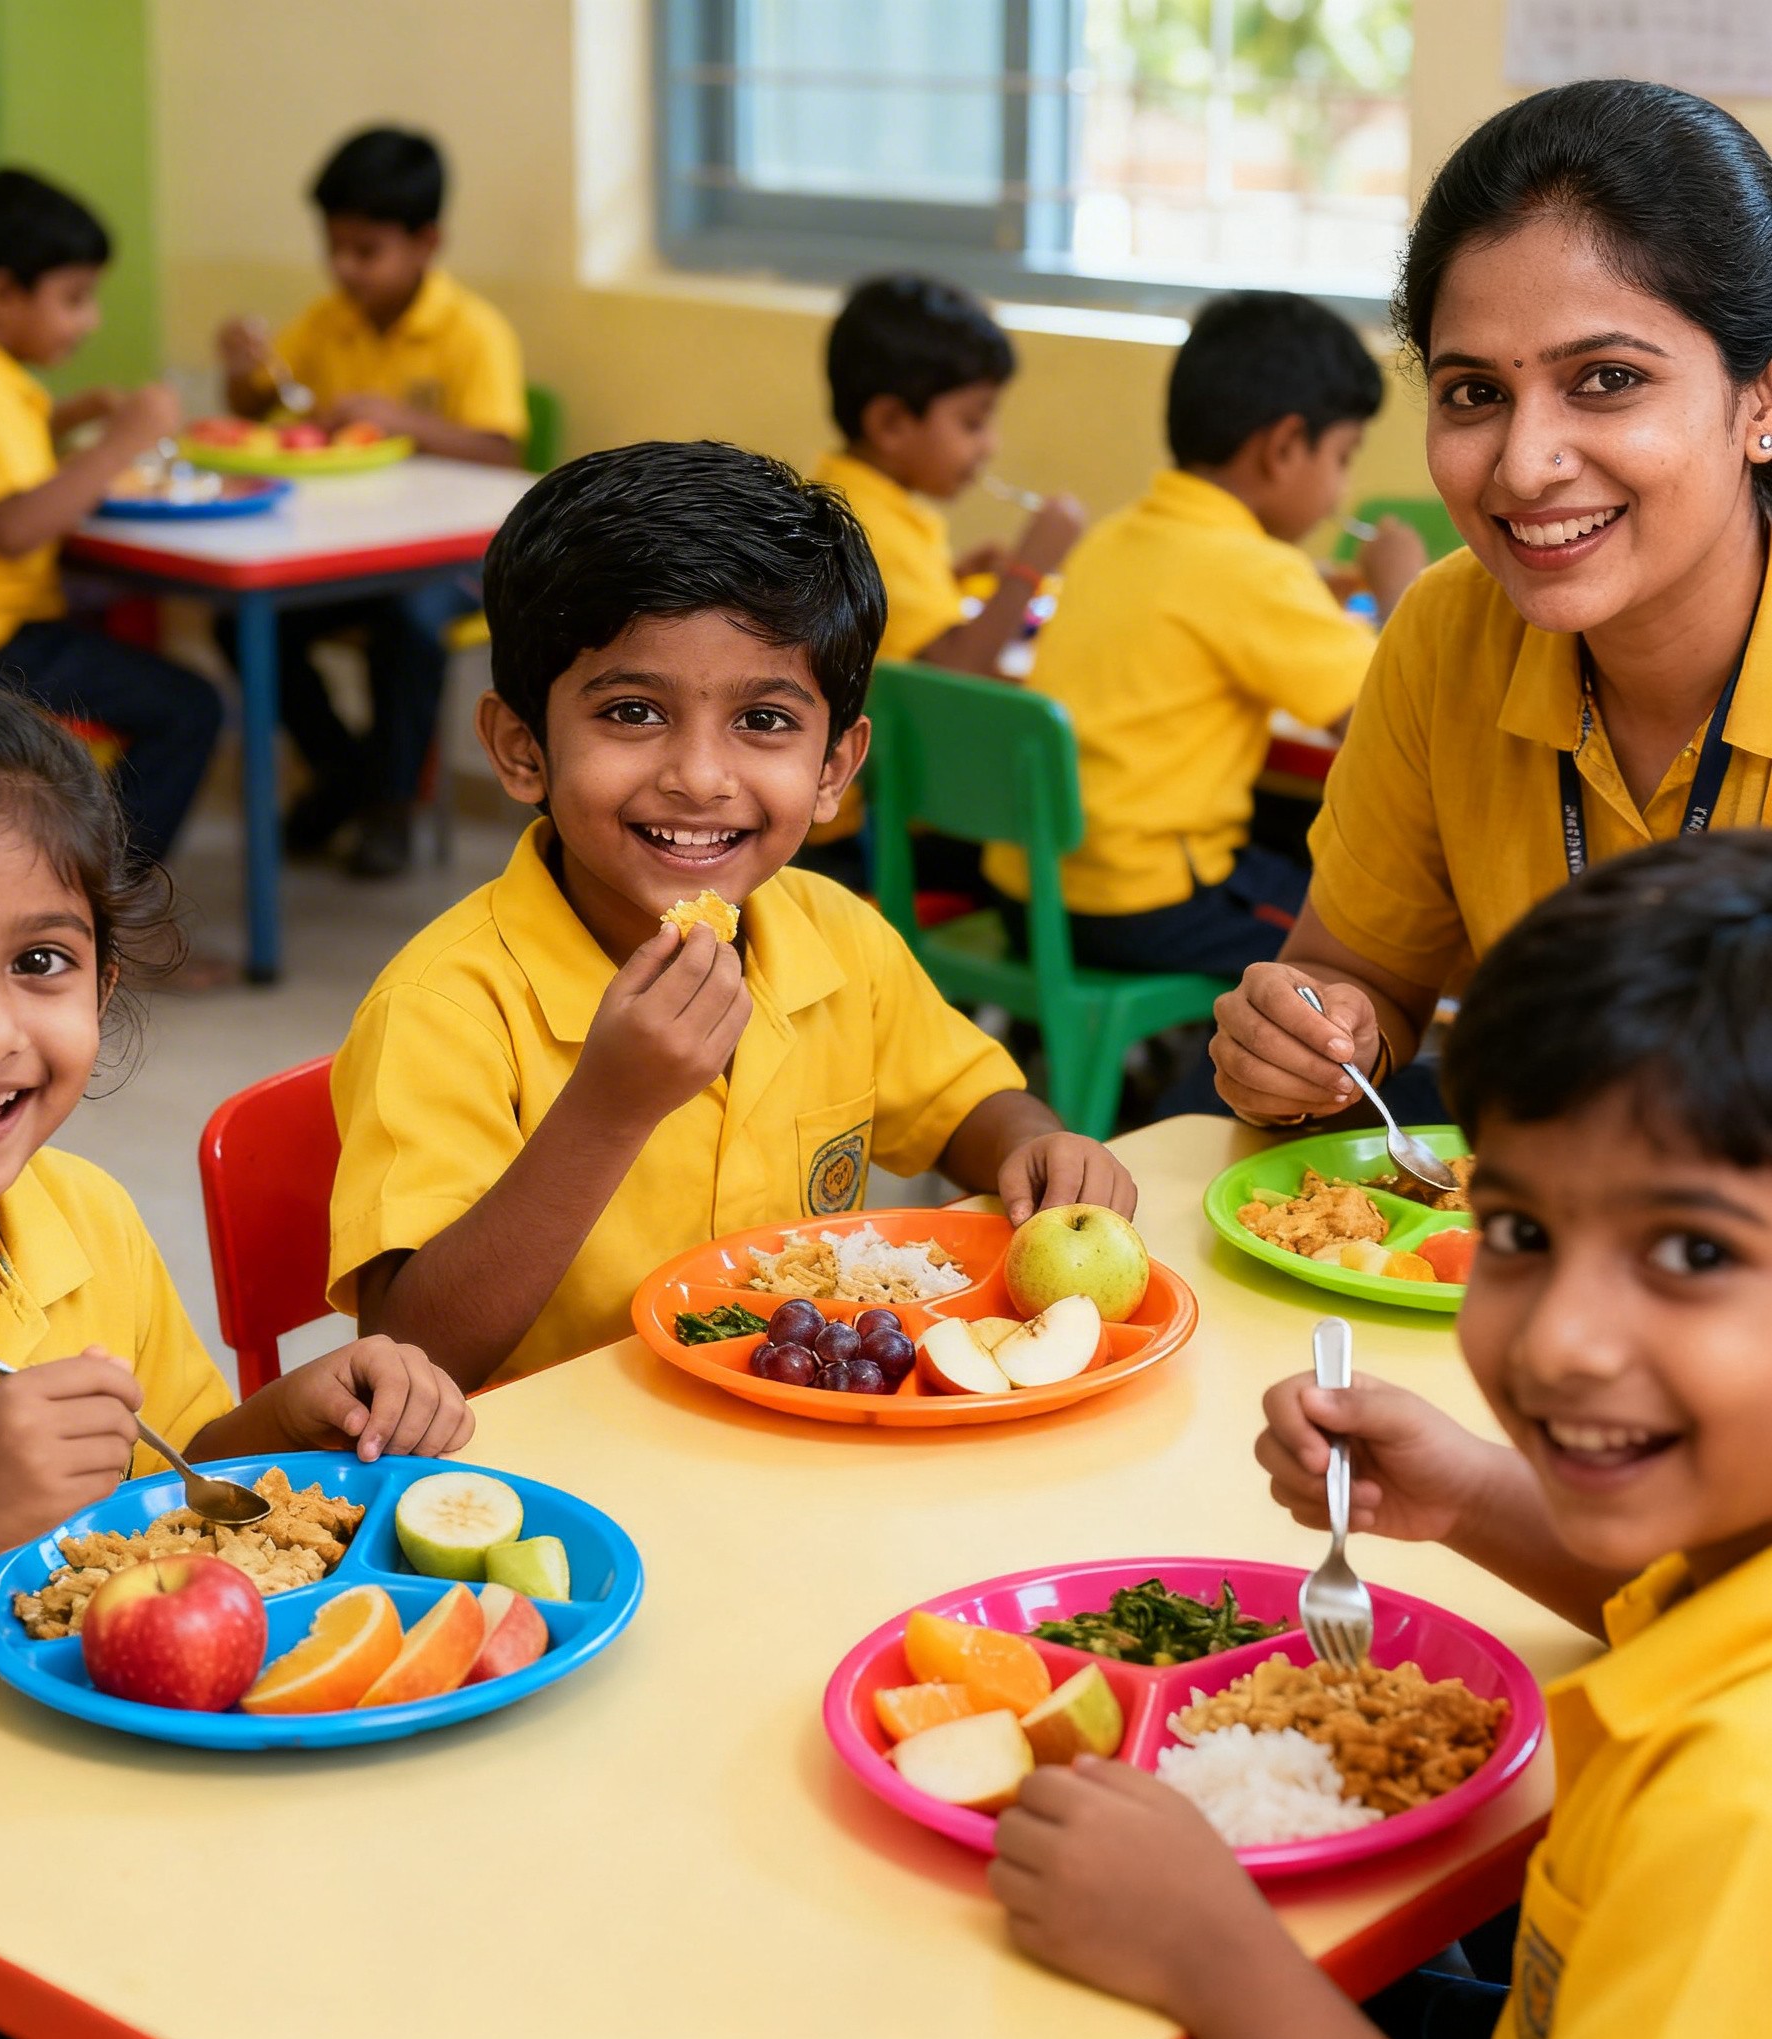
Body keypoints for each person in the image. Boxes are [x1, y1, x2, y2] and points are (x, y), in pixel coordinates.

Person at [0, 676, 472, 2028]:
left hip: (47, 1816)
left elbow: (167, 1490)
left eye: (42, 962)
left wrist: (294, 1417)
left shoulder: (80, 1215)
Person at [991, 829, 1772, 2039]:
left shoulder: (1736, 1820)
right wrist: (1466, 1496)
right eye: (1516, 1227)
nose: (1560, 1337)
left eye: (1691, 1252)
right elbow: (1666, 1597)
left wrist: (1210, 1955)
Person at [328, 440, 1135, 1390]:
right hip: (559, 1488)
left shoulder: (836, 935)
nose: (701, 778)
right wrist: (606, 1109)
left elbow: (967, 1106)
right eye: (632, 712)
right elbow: (414, 1355)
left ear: (834, 767)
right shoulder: (449, 1007)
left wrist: (1035, 1144)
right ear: (521, 749)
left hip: (796, 1448)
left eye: (764, 722)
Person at [1210, 80, 1772, 1129]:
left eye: (1605, 378)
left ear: (1758, 399)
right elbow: (1357, 972)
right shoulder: (1444, 631)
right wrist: (1318, 1040)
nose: (1522, 466)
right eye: (1473, 392)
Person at [982, 292, 1424, 981]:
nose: (1340, 494)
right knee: (1377, 930)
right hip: (1145, 906)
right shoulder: (1255, 572)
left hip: (1030, 889)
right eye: (1343, 457)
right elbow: (1398, 730)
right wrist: (1407, 592)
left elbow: (1209, 593)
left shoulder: (1117, 535)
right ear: (1283, 448)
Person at [0, 169, 222, 867]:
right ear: (1, 293)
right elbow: (15, 527)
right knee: (189, 708)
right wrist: (126, 440)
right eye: (74, 299)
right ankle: (107, 906)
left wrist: (69, 415)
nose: (90, 321)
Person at [215, 128, 527, 877]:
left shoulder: (472, 332)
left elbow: (503, 454)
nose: (346, 269)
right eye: (336, 249)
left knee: (411, 622)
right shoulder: (327, 322)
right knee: (244, 625)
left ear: (426, 242)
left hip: (455, 558)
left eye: (367, 252)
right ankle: (346, 771)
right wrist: (244, 372)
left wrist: (407, 423)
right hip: (348, 549)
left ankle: (386, 802)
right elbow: (263, 412)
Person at [803, 274, 1084, 887]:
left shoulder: (851, 497)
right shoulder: (879, 529)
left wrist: (954, 577)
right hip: (862, 839)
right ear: (891, 423)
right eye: (973, 422)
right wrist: (1028, 569)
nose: (990, 445)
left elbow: (884, 627)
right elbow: (952, 677)